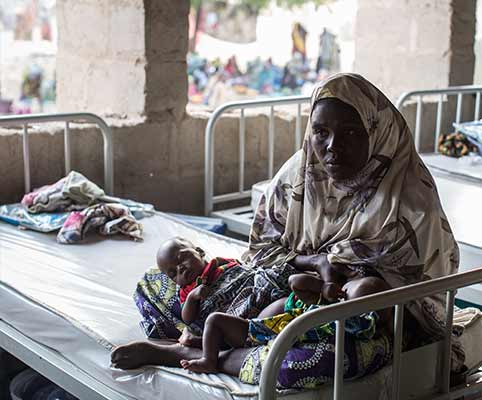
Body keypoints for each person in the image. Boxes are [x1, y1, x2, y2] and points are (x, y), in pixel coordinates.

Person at [112, 73, 463, 385]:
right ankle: (210, 341)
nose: (331, 148)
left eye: (352, 133)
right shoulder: (299, 173)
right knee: (155, 285)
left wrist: (338, 281)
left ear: (377, 132)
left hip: (365, 320)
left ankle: (195, 353)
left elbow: (421, 299)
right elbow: (262, 252)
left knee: (299, 363)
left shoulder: (410, 199)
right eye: (320, 132)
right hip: (286, 283)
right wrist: (310, 265)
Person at [156, 237, 383, 373]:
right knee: (215, 322)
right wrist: (194, 297)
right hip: (244, 313)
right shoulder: (187, 290)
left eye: (181, 259)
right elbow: (188, 318)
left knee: (282, 275)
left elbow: (248, 269)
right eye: (172, 273)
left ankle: (325, 282)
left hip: (263, 290)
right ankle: (208, 359)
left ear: (199, 251)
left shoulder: (220, 264)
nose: (180, 270)